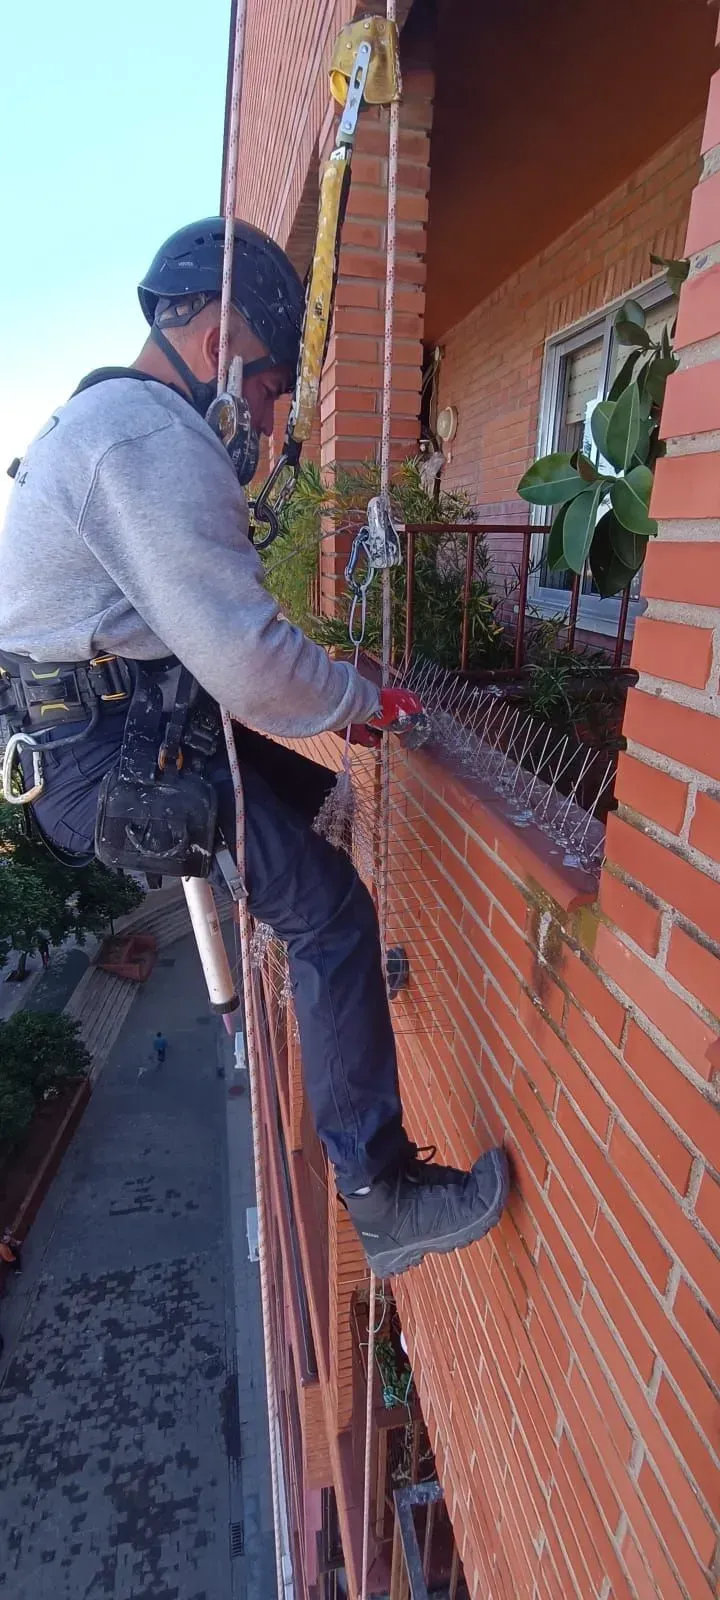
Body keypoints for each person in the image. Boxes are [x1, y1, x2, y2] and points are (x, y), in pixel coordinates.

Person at [0, 218, 508, 1277]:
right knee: (329, 911)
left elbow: (215, 646)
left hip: (118, 724)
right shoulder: (147, 439)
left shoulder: (110, 420)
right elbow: (248, 662)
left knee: (313, 810)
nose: (270, 421)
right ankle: (383, 1194)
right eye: (274, 388)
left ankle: (329, 986)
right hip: (114, 750)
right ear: (222, 338)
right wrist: (357, 701)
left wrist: (333, 707)